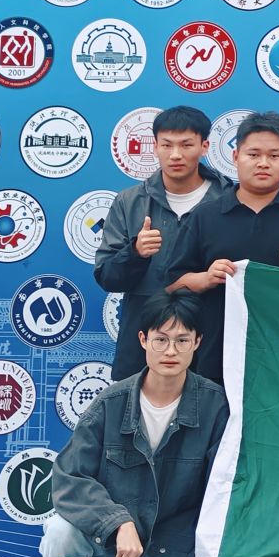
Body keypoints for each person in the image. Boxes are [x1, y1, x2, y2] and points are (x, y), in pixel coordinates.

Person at [14, 293, 228, 557]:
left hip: (179, 546)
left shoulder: (216, 406)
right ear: (143, 340)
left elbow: (226, 488)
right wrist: (117, 523)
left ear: (198, 343)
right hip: (115, 543)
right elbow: (69, 477)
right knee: (59, 531)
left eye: (182, 340)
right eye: (161, 339)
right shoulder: (110, 403)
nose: (171, 351)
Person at [164, 112, 279, 379]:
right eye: (253, 154)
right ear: (235, 157)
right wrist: (206, 278)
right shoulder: (206, 216)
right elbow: (173, 282)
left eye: (274, 156)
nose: (263, 163)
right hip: (217, 353)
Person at [93, 105, 219, 379]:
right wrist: (135, 253)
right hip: (144, 344)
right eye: (167, 145)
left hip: (213, 342)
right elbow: (107, 277)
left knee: (211, 403)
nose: (176, 154)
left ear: (205, 146)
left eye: (186, 145)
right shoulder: (129, 202)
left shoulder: (229, 200)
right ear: (155, 146)